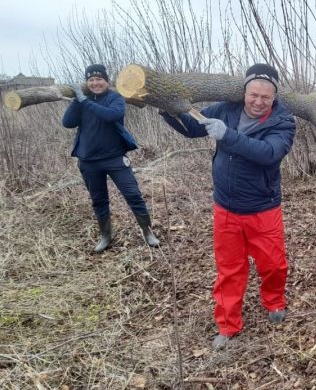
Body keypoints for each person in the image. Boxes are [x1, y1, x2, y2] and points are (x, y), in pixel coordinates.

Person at [159, 63, 295, 349]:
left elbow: (269, 153)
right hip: (226, 207)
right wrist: (167, 109)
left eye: (265, 97)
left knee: (273, 265)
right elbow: (193, 128)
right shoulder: (226, 109)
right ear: (244, 92)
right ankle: (227, 324)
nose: (258, 102)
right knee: (229, 269)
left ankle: (274, 301)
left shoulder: (283, 121)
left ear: (275, 97)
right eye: (253, 95)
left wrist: (228, 136)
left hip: (263, 208)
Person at [62, 64, 159, 253]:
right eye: (91, 80)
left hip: (114, 158)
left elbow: (112, 115)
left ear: (106, 81)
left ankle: (148, 233)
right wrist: (77, 100)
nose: (95, 83)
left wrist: (85, 101)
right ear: (86, 83)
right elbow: (67, 123)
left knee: (133, 194)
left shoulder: (115, 98)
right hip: (88, 161)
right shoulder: (83, 101)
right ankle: (105, 236)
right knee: (99, 199)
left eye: (99, 79)